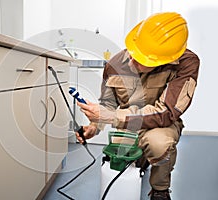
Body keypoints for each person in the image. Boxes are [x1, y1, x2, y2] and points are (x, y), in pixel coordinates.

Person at [75, 12, 200, 200]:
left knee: (159, 144)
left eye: (142, 60)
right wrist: (94, 127)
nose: (132, 62)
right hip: (127, 127)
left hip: (161, 125)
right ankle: (141, 160)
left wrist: (110, 117)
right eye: (133, 52)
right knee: (120, 160)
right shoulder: (115, 64)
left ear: (164, 60)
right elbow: (108, 102)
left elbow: (166, 112)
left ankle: (160, 190)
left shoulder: (186, 63)